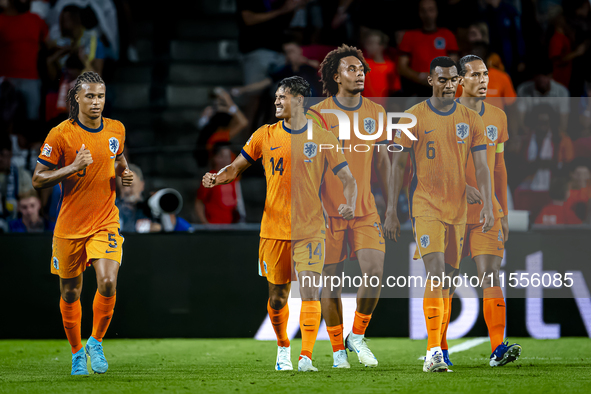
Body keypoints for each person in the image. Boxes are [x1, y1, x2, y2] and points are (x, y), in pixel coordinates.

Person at [202, 76, 357, 372]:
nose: (276, 102)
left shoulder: (322, 137)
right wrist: (216, 177)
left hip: (311, 228)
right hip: (273, 229)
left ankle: (306, 357)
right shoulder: (264, 134)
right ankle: (283, 347)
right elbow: (235, 167)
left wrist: (349, 202)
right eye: (275, 97)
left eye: (281, 97)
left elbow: (348, 179)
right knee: (277, 297)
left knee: (310, 290)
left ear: (299, 100)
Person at [388, 56, 494, 372]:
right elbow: (398, 165)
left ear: (458, 81)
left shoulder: (471, 119)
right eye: (442, 80)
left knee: (448, 279)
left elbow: (482, 166)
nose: (448, 85)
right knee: (435, 273)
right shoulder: (412, 117)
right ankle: (434, 351)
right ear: (431, 80)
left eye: (453, 80)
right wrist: (392, 210)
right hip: (426, 206)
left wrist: (488, 202)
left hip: (458, 210)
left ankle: (441, 347)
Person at [32, 71, 134, 375]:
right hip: (69, 226)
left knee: (107, 281)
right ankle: (77, 351)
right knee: (70, 293)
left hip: (105, 221)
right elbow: (38, 179)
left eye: (100, 96)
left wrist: (124, 174)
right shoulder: (60, 134)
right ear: (76, 98)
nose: (96, 102)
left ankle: (96, 341)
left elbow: (118, 159)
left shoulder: (116, 129)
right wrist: (73, 167)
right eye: (90, 96)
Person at [312, 44, 393, 369]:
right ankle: (337, 350)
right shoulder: (317, 114)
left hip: (365, 209)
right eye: (351, 69)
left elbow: (385, 161)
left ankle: (356, 335)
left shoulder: (376, 112)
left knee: (374, 273)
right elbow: (309, 165)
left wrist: (390, 207)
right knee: (331, 280)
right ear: (335, 75)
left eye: (361, 70)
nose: (359, 74)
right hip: (327, 211)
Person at [452, 54, 521, 368]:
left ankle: (498, 349)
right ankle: (438, 350)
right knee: (445, 279)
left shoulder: (497, 116)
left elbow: (500, 168)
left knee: (490, 274)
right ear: (460, 80)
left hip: (487, 212)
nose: (482, 81)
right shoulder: (444, 113)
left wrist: (502, 210)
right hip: (450, 211)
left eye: (485, 75)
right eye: (475, 75)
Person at [398, 0, 459, 97]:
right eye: (423, 11)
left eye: (431, 10)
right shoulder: (409, 36)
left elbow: (453, 63)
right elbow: (402, 67)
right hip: (416, 88)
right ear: (419, 13)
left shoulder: (447, 35)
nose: (427, 14)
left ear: (437, 11)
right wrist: (420, 77)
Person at [0, 0, 49, 120]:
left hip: (31, 80)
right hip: (5, 80)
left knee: (32, 121)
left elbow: (49, 43)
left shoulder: (36, 20)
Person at [195, 142, 244, 224]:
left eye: (228, 157)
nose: (226, 160)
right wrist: (205, 223)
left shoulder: (232, 178)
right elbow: (198, 203)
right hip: (215, 226)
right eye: (222, 156)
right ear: (215, 158)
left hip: (230, 227)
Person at [115, 163, 161, 233]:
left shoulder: (151, 208)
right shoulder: (110, 209)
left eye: (131, 185)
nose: (127, 190)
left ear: (142, 185)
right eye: (123, 187)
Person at [362, 29, 401, 100]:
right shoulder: (361, 64)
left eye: (372, 43)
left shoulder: (390, 66)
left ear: (382, 46)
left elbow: (395, 89)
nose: (368, 46)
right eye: (367, 43)